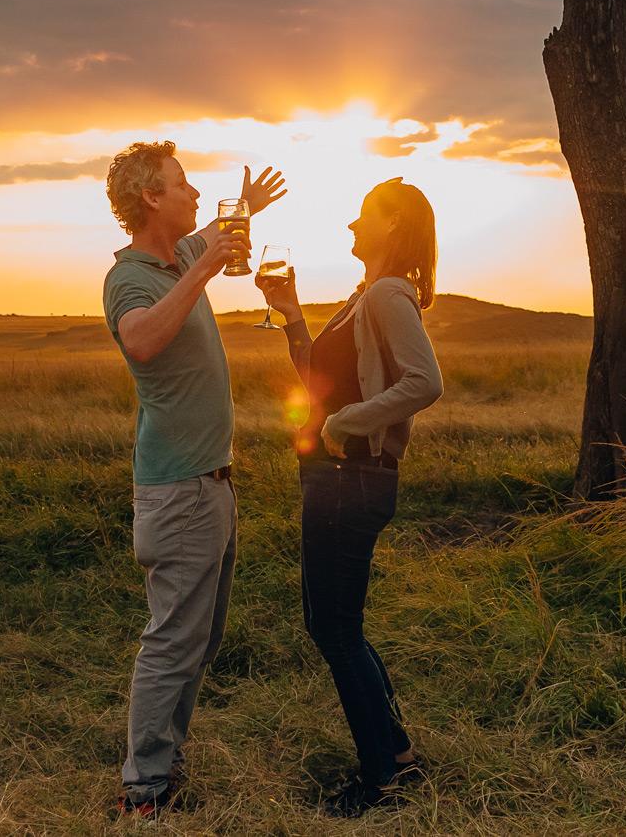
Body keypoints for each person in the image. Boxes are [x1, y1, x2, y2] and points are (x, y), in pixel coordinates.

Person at [102, 140, 286, 820]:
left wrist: (246, 210)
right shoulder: (131, 279)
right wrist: (204, 266)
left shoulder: (177, 256)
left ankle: (164, 762)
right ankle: (144, 792)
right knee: (173, 639)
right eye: (184, 184)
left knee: (198, 638)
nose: (196, 194)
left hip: (211, 484)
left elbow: (219, 233)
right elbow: (143, 340)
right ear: (153, 197)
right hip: (178, 489)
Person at [256, 177, 443, 817]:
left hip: (352, 479)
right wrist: (294, 315)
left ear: (392, 226)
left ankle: (382, 781)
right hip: (336, 478)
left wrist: (344, 424)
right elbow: (318, 381)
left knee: (334, 630)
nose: (351, 226)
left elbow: (425, 382)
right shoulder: (366, 296)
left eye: (364, 215)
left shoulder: (391, 294)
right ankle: (395, 755)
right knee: (335, 626)